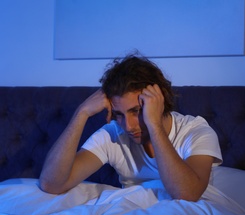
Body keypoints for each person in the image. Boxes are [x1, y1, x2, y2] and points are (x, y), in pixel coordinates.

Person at [39, 53, 222, 201]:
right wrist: (81, 113)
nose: (128, 126)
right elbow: (51, 184)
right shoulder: (113, 135)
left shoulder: (196, 132)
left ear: (159, 101)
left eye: (136, 111)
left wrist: (154, 124)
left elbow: (186, 194)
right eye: (119, 114)